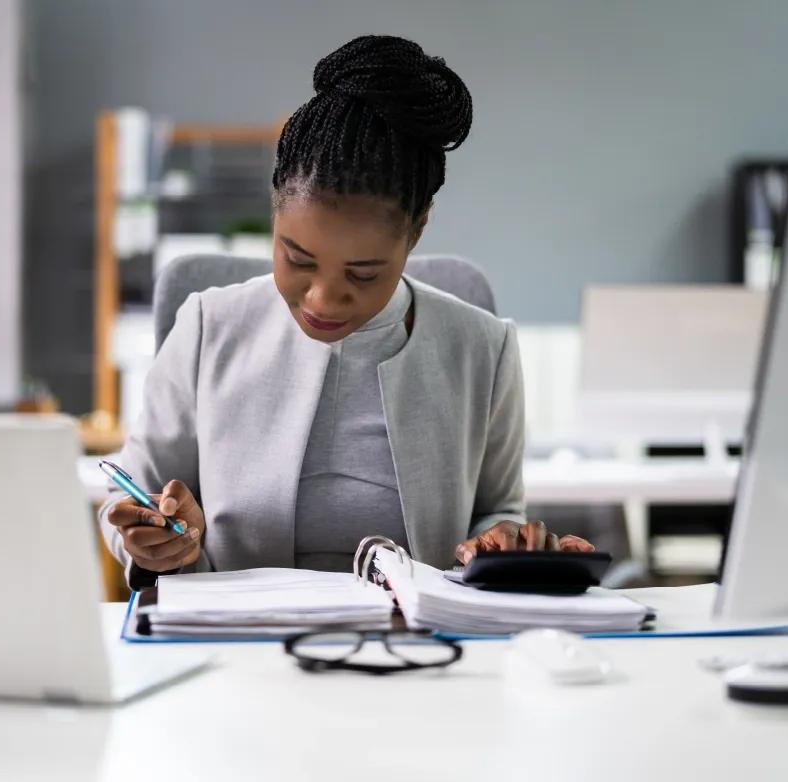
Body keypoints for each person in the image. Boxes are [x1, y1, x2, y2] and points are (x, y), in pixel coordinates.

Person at [100, 35, 593, 586]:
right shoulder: (207, 327)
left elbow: (498, 508)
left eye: (363, 274)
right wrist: (156, 544)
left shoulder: (484, 348)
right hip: (238, 646)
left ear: (417, 231)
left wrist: (502, 538)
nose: (322, 299)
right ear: (274, 214)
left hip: (420, 649)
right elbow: (131, 494)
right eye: (298, 259)